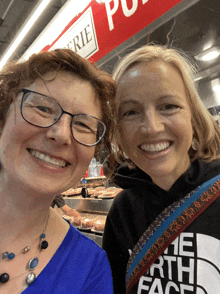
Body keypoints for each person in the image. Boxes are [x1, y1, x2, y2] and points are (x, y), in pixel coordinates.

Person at [102, 44, 220, 293]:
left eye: (168, 106)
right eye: (131, 112)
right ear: (118, 131)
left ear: (193, 116)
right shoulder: (122, 213)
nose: (152, 127)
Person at [0, 48, 116, 293]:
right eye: (42, 109)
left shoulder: (89, 268)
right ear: (3, 116)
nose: (61, 134)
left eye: (83, 124)